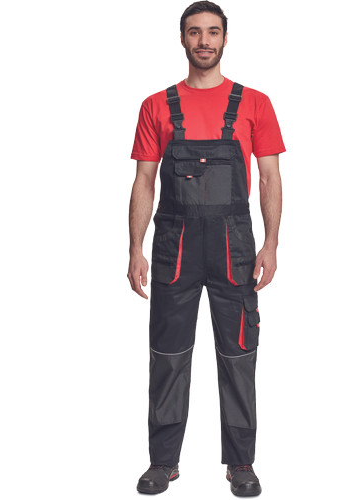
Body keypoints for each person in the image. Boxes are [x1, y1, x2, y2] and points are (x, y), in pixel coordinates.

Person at [128, 1, 285, 496]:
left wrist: (271, 243)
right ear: (182, 39)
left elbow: (269, 178)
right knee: (168, 354)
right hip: (173, 246)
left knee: (238, 354)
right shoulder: (156, 105)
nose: (204, 41)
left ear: (225, 39)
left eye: (212, 32)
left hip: (234, 245)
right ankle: (163, 461)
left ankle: (241, 463)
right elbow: (144, 181)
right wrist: (135, 248)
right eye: (194, 32)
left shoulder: (255, 103)